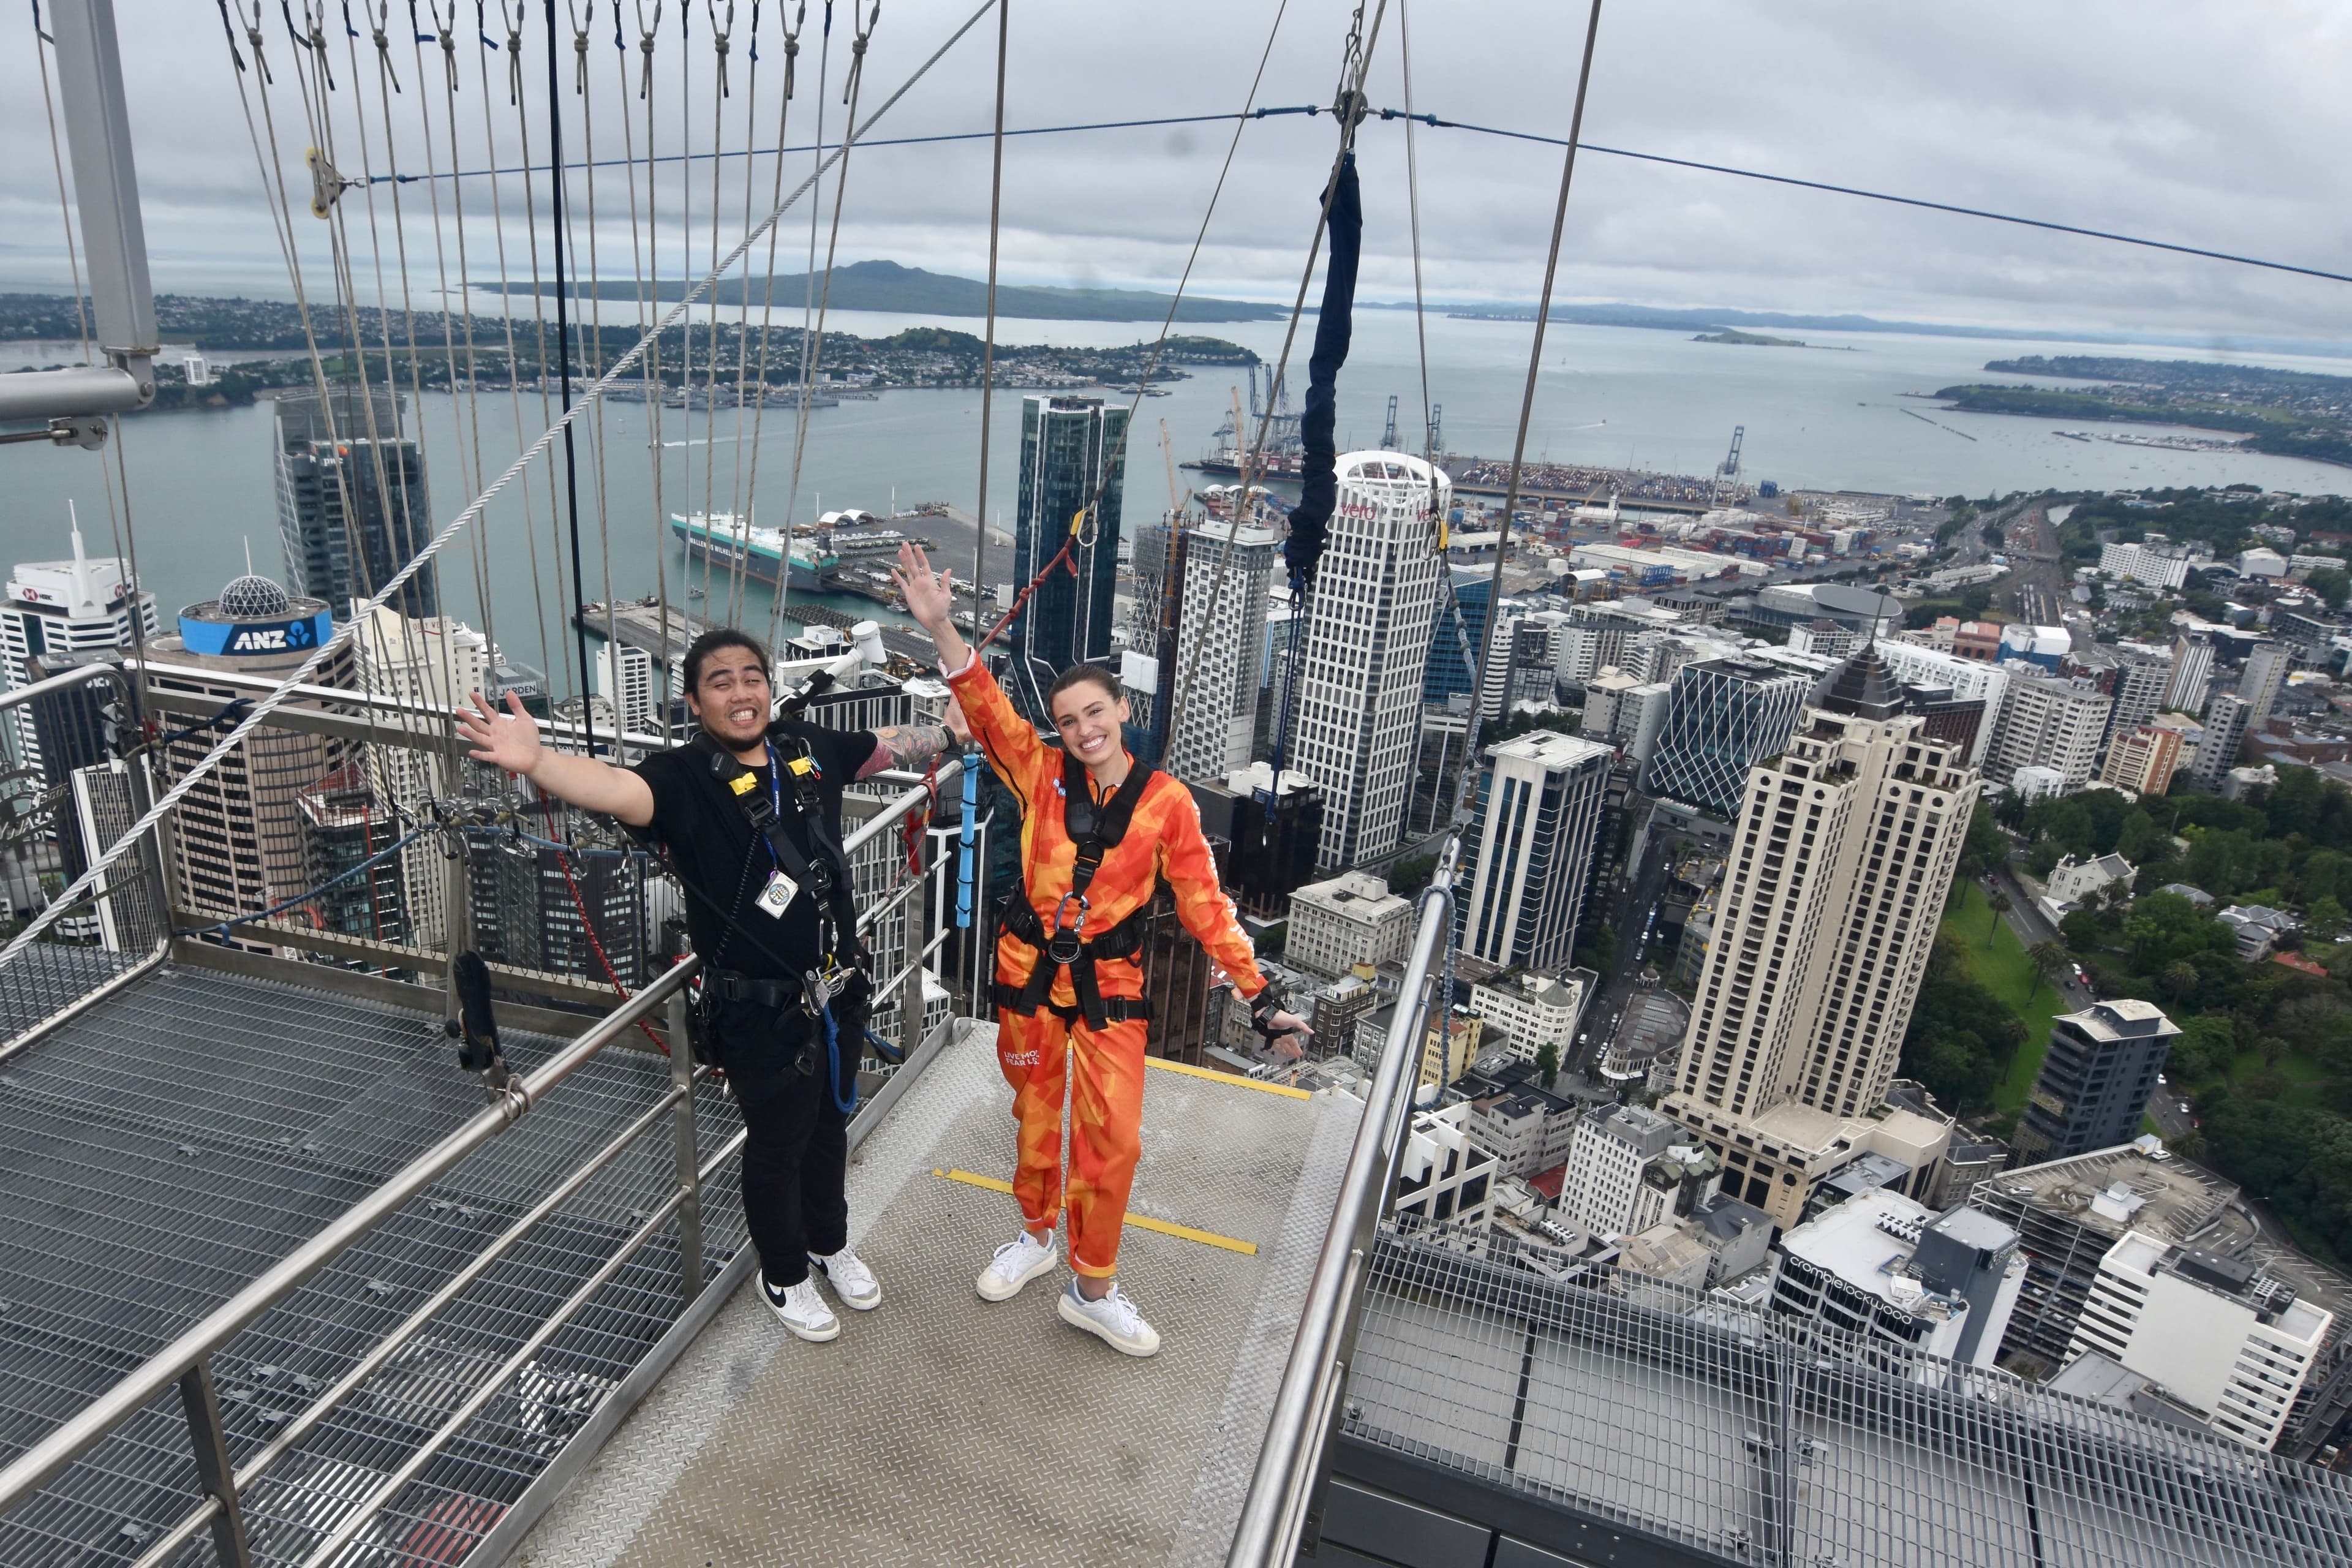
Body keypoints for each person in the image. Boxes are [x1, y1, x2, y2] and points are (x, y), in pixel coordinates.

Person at [456, 628, 954, 1343]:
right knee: (778, 1144)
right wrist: (539, 762)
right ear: (694, 700)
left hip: (837, 987)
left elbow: (881, 746)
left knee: (826, 1131)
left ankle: (828, 1242)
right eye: (721, 681)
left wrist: (951, 731)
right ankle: (783, 1274)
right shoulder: (683, 779)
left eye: (752, 676)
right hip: (760, 1011)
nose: (741, 691)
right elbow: (618, 789)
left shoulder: (802, 748)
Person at [890, 543, 1310, 1357]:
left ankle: (1094, 1285)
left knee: (1113, 1136)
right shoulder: (1036, 773)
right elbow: (985, 705)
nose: (1083, 729)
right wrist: (941, 629)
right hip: (1027, 976)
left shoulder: (1167, 806)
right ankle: (1036, 1233)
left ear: (1122, 709)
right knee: (1034, 1114)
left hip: (1110, 983)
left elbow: (1205, 905)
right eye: (1069, 718)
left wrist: (1258, 995)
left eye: (1096, 712)